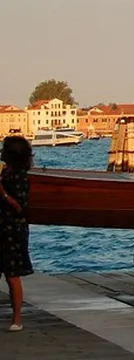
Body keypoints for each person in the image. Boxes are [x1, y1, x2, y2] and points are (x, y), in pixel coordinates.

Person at [1, 135, 34, 332]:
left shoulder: (20, 178)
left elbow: (20, 207)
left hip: (12, 228)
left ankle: (17, 319)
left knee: (12, 275)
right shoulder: (4, 173)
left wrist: (2, 193)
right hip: (2, 226)